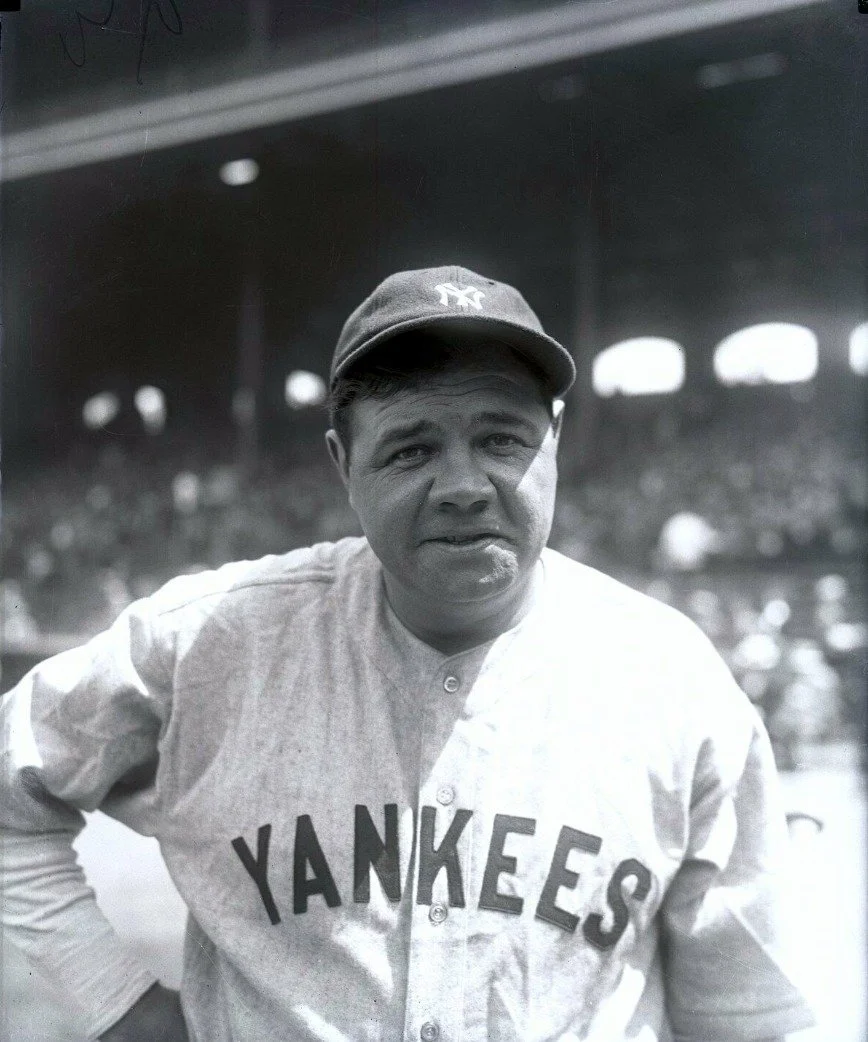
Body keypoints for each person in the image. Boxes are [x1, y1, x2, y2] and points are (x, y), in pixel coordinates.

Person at [2, 265, 813, 1042]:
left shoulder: (673, 678)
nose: (463, 485)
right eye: (411, 450)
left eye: (502, 439)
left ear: (555, 441)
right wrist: (120, 1003)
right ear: (342, 464)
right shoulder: (210, 640)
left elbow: (742, 1018)